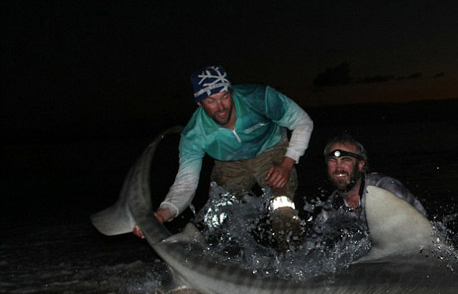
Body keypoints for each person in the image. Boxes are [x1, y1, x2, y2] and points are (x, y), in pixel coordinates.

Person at [133, 66, 313, 250]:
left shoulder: (258, 98)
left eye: (224, 97)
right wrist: (164, 213)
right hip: (230, 164)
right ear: (199, 103)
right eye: (211, 101)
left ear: (231, 92)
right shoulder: (194, 134)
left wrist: (287, 163)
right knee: (217, 215)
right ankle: (215, 256)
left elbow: (303, 122)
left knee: (282, 205)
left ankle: (293, 254)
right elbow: (186, 182)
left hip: (271, 151)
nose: (220, 107)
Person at [308, 133, 427, 247]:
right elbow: (310, 245)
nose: (338, 168)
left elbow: (419, 233)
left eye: (346, 160)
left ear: (360, 165)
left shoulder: (384, 188)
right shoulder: (331, 206)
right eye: (332, 160)